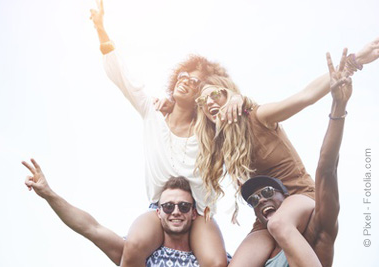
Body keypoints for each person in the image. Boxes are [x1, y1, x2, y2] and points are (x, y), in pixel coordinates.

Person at [193, 40, 379, 267]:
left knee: (279, 224)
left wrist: (354, 62)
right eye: (203, 100)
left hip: (299, 196)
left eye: (216, 94)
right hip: (265, 213)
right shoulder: (217, 146)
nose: (209, 102)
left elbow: (305, 96)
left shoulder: (259, 117)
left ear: (230, 94)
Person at [89, 0, 242, 266]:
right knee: (134, 244)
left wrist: (236, 98)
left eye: (196, 82)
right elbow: (121, 76)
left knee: (217, 264)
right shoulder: (153, 113)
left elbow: (239, 122)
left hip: (200, 212)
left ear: (204, 94)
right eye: (184, 76)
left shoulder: (211, 130)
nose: (187, 81)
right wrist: (101, 29)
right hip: (161, 208)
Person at [240, 49, 353, 266]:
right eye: (254, 200)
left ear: (287, 197)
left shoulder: (316, 233)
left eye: (267, 192)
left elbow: (327, 166)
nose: (261, 199)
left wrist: (338, 107)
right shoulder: (264, 253)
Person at [22, 161, 229, 266]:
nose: (176, 211)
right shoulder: (142, 256)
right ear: (158, 212)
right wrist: (49, 194)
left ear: (194, 213)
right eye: (168, 206)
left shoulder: (207, 258)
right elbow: (90, 228)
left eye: (183, 207)